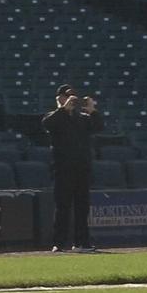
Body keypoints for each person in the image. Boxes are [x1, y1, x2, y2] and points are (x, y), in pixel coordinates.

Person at [42, 84, 103, 253]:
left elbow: (99, 127)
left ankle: (82, 242)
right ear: (59, 98)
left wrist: (93, 111)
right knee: (63, 206)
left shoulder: (82, 118)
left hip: (82, 168)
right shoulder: (54, 116)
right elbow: (48, 124)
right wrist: (63, 109)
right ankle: (59, 243)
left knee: (82, 207)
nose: (71, 100)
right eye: (66, 96)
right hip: (63, 169)